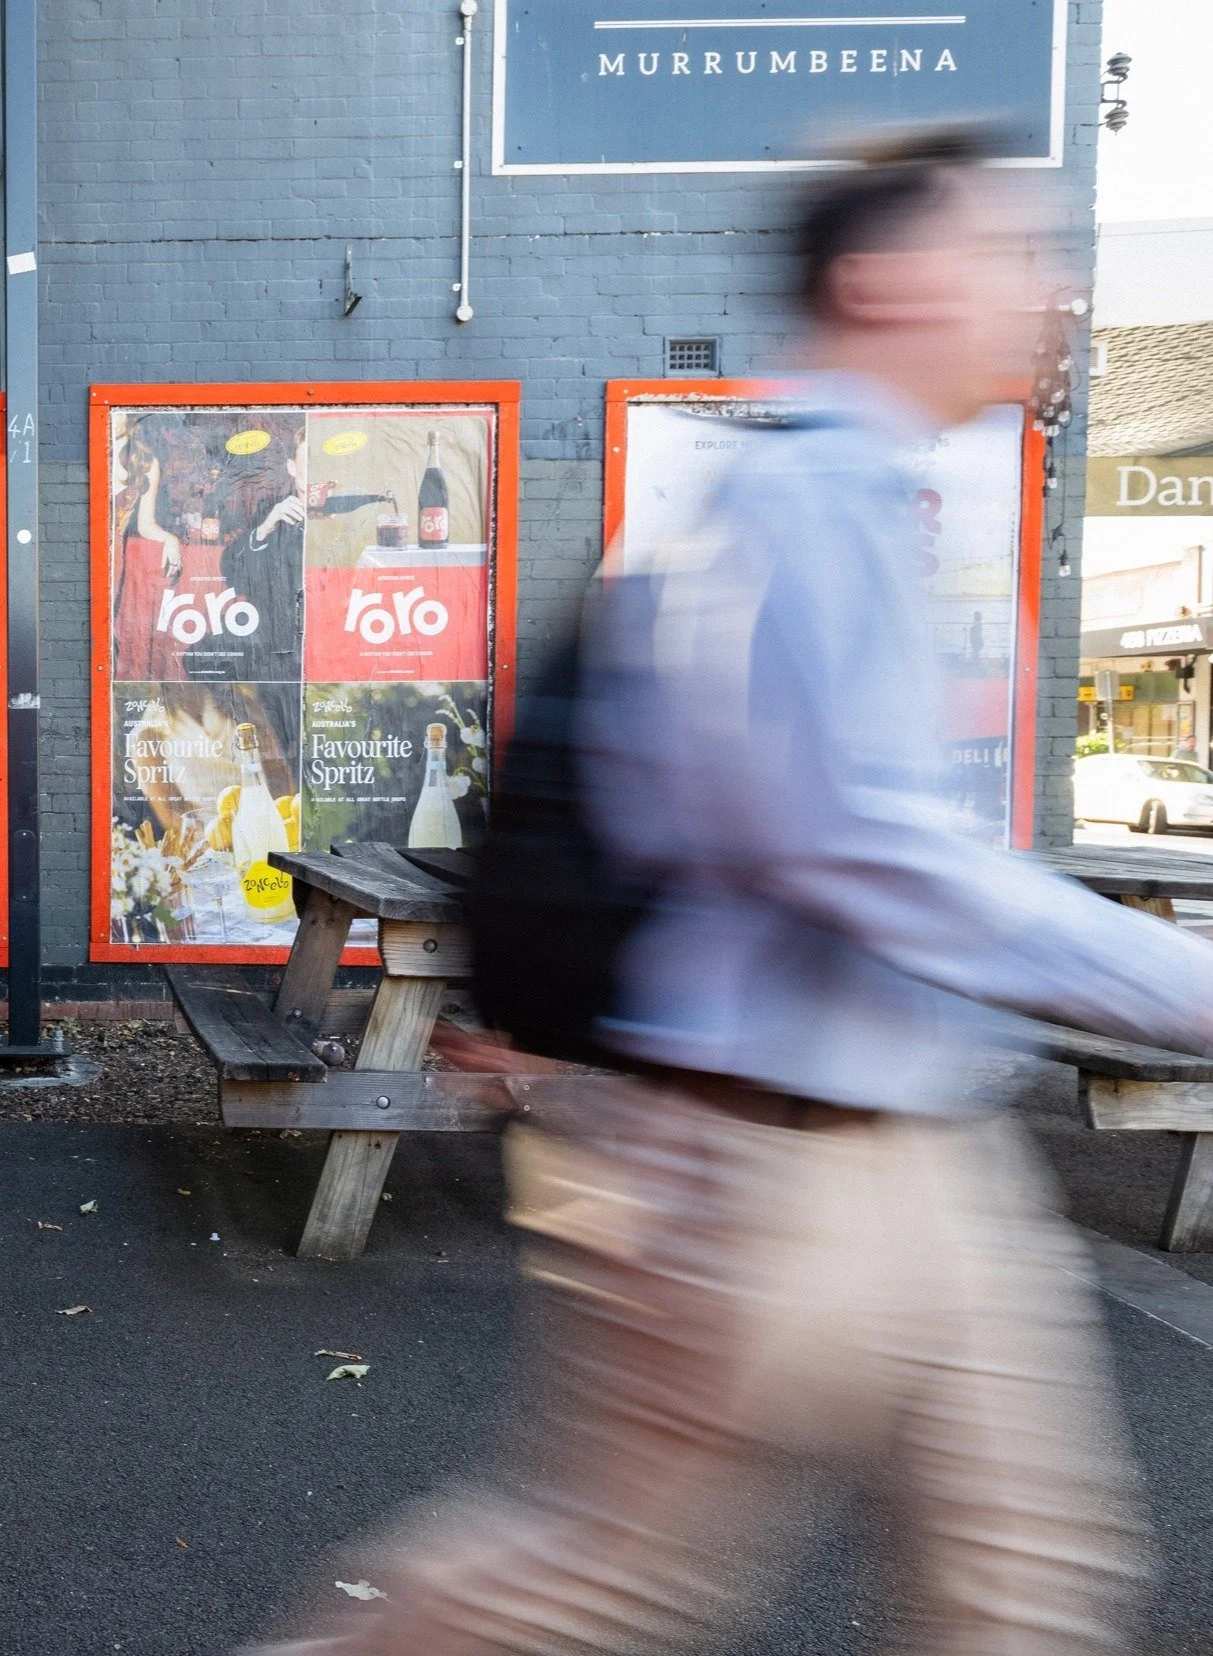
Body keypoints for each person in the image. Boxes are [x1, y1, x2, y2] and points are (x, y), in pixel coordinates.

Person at [247, 130, 1213, 1656]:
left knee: (1028, 1581)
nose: (1053, 289)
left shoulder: (873, 500)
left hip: (918, 1152)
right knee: (591, 1588)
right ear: (881, 281)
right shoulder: (804, 507)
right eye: (1010, 253)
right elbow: (854, 852)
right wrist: (1185, 990)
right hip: (755, 1162)